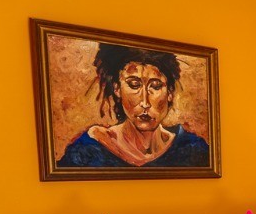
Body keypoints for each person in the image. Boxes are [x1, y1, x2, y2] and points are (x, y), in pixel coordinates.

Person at [58, 44, 210, 168]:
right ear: (117, 89)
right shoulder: (87, 152)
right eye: (134, 85)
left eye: (156, 86)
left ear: (170, 92)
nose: (145, 102)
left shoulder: (192, 150)